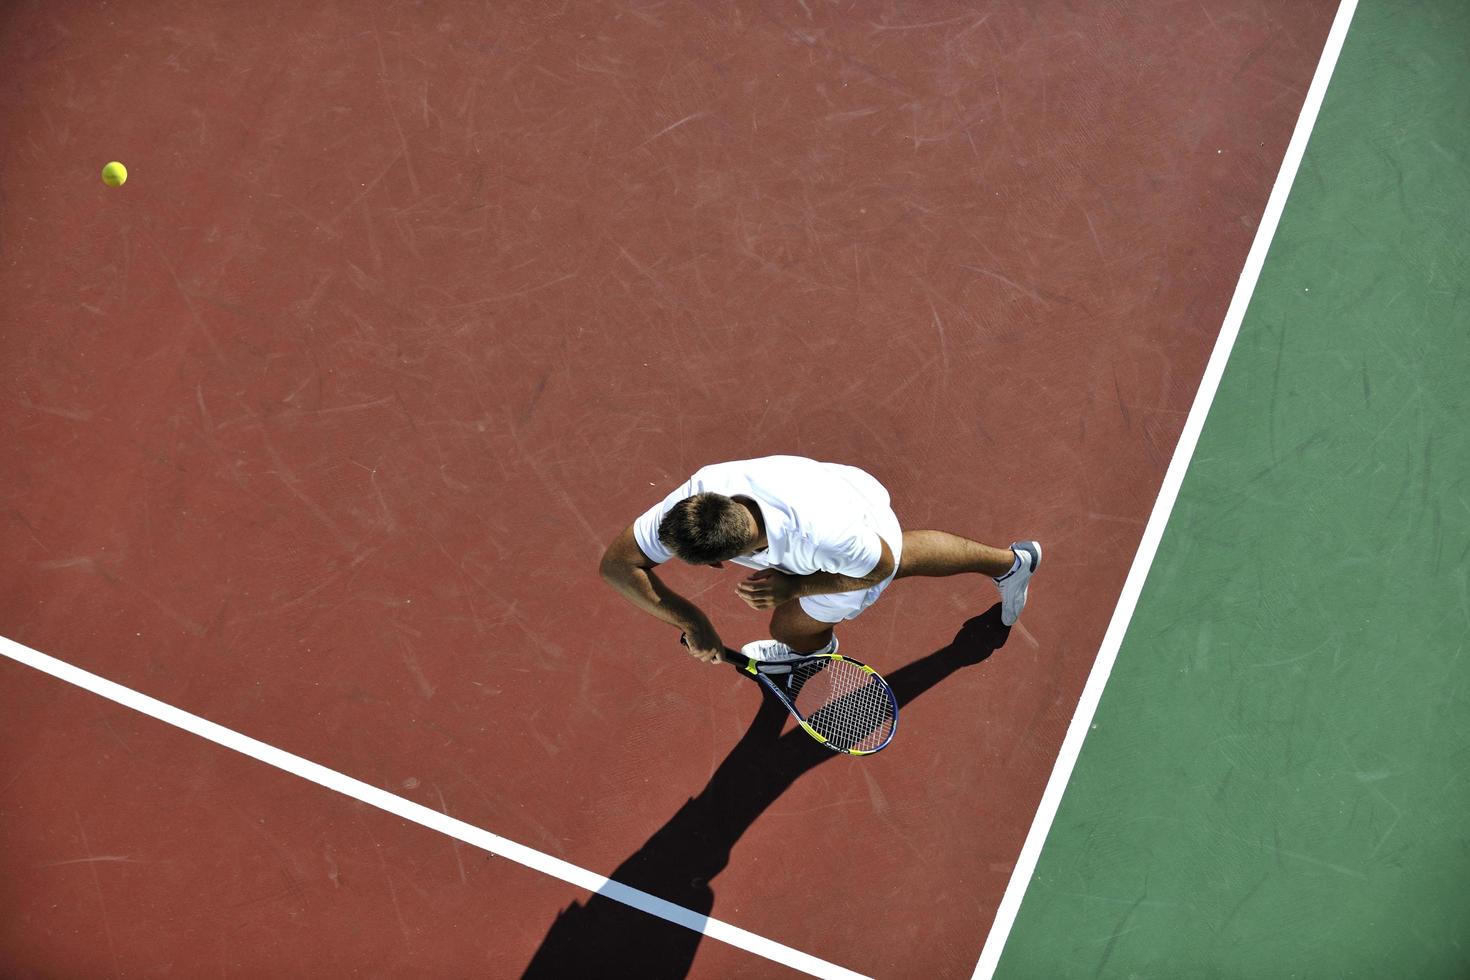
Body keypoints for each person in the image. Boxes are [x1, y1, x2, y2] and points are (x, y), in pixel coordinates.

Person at [599, 455, 1040, 664]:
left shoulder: (823, 538)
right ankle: (1012, 565)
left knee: (786, 624)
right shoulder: (704, 492)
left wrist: (796, 587)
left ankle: (810, 650)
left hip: (851, 535)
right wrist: (694, 623)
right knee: (906, 554)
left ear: (719, 563)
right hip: (837, 486)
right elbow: (618, 566)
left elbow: (880, 567)